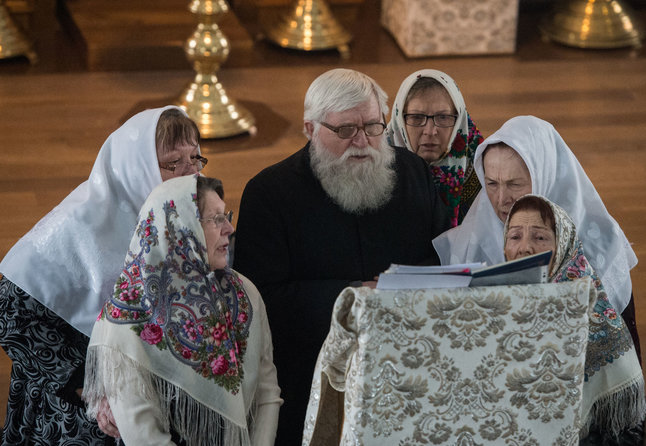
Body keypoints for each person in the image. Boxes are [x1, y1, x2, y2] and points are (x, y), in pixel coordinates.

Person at [233, 68, 449, 445]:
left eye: (373, 126)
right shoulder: (269, 194)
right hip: (310, 372)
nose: (362, 141)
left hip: (406, 363)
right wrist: (355, 294)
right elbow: (261, 299)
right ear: (310, 129)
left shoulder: (413, 174)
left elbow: (441, 265)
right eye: (346, 130)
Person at [0, 106, 205, 445]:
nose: (190, 173)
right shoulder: (75, 227)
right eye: (172, 163)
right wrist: (91, 390)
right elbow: (8, 316)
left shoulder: (183, 218)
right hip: (78, 414)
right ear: (137, 169)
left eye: (195, 158)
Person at [82, 175, 281, 445]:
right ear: (180, 227)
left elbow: (267, 394)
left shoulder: (244, 293)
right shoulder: (126, 318)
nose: (230, 229)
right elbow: (144, 437)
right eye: (216, 219)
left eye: (227, 216)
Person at [432, 116, 639, 348]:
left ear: (546, 176)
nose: (501, 199)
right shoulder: (467, 245)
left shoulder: (603, 244)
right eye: (491, 183)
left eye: (515, 184)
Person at [504, 194, 645, 444]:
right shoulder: (496, 307)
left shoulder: (593, 313)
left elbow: (625, 430)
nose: (524, 248)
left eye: (540, 237)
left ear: (564, 246)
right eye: (515, 237)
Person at [386, 69, 484, 226]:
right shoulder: (375, 167)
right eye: (417, 117)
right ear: (400, 121)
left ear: (459, 121)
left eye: (443, 117)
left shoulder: (483, 169)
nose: (430, 131)